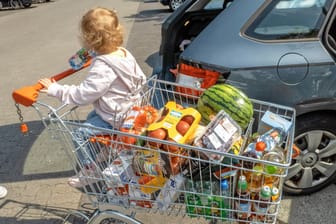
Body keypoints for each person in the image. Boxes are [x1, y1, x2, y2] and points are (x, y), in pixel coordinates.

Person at [39, 7, 146, 188]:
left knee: (80, 134)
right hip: (130, 108)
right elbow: (141, 77)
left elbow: (83, 95)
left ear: (90, 39)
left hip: (117, 116)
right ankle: (107, 149)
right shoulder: (123, 53)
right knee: (91, 118)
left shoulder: (103, 66)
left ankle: (91, 171)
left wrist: (55, 89)